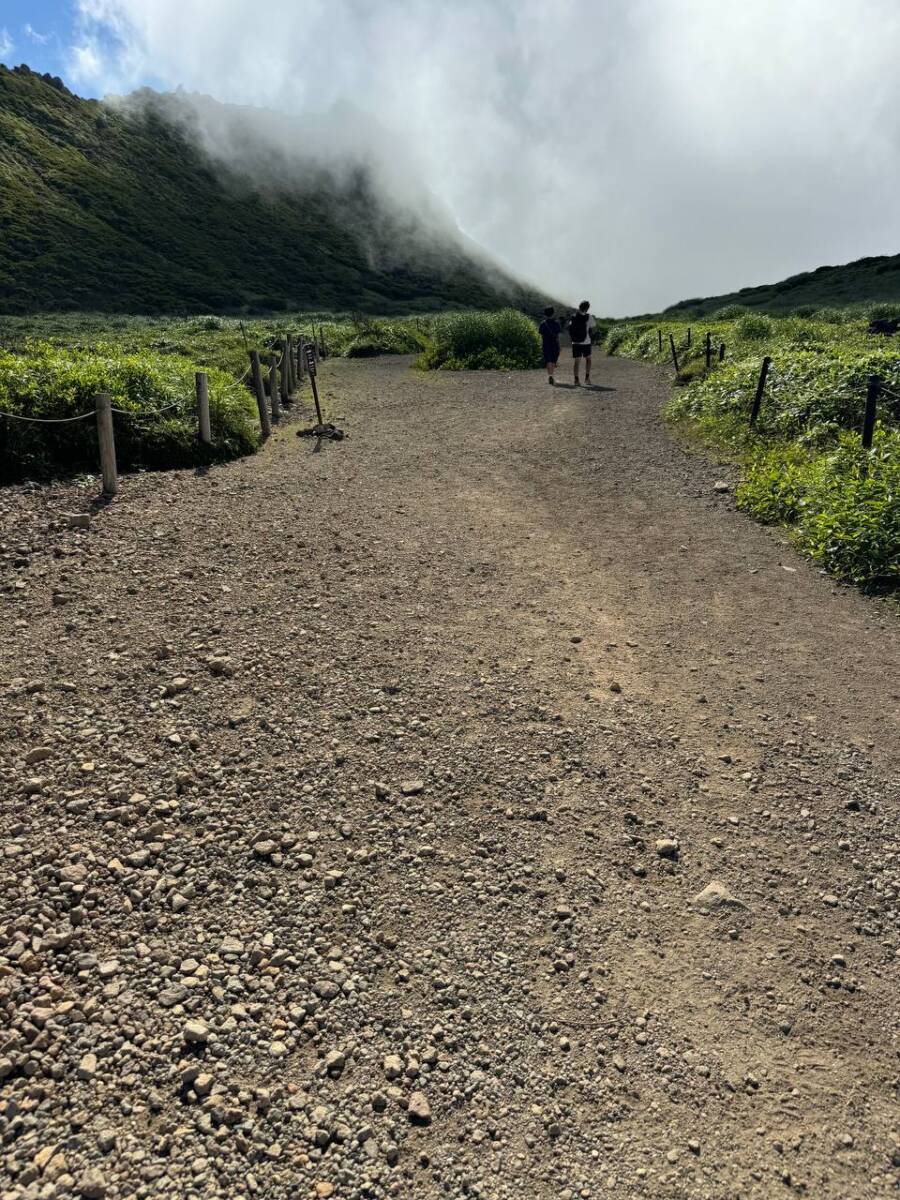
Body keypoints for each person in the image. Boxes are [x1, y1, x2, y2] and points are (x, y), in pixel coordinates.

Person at [568, 300, 596, 386]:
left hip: (575, 342)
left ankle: (576, 380)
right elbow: (593, 326)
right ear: (587, 308)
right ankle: (587, 379)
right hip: (586, 342)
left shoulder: (573, 316)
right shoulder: (589, 317)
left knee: (577, 362)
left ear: (579, 307)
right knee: (588, 359)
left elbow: (570, 327)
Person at [538, 306, 562, 384]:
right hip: (554, 344)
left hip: (546, 344)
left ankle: (550, 375)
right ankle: (551, 374)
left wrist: (541, 345)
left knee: (548, 360)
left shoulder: (543, 324)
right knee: (553, 360)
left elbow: (541, 336)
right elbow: (557, 336)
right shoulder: (556, 323)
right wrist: (559, 346)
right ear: (553, 313)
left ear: (545, 314)